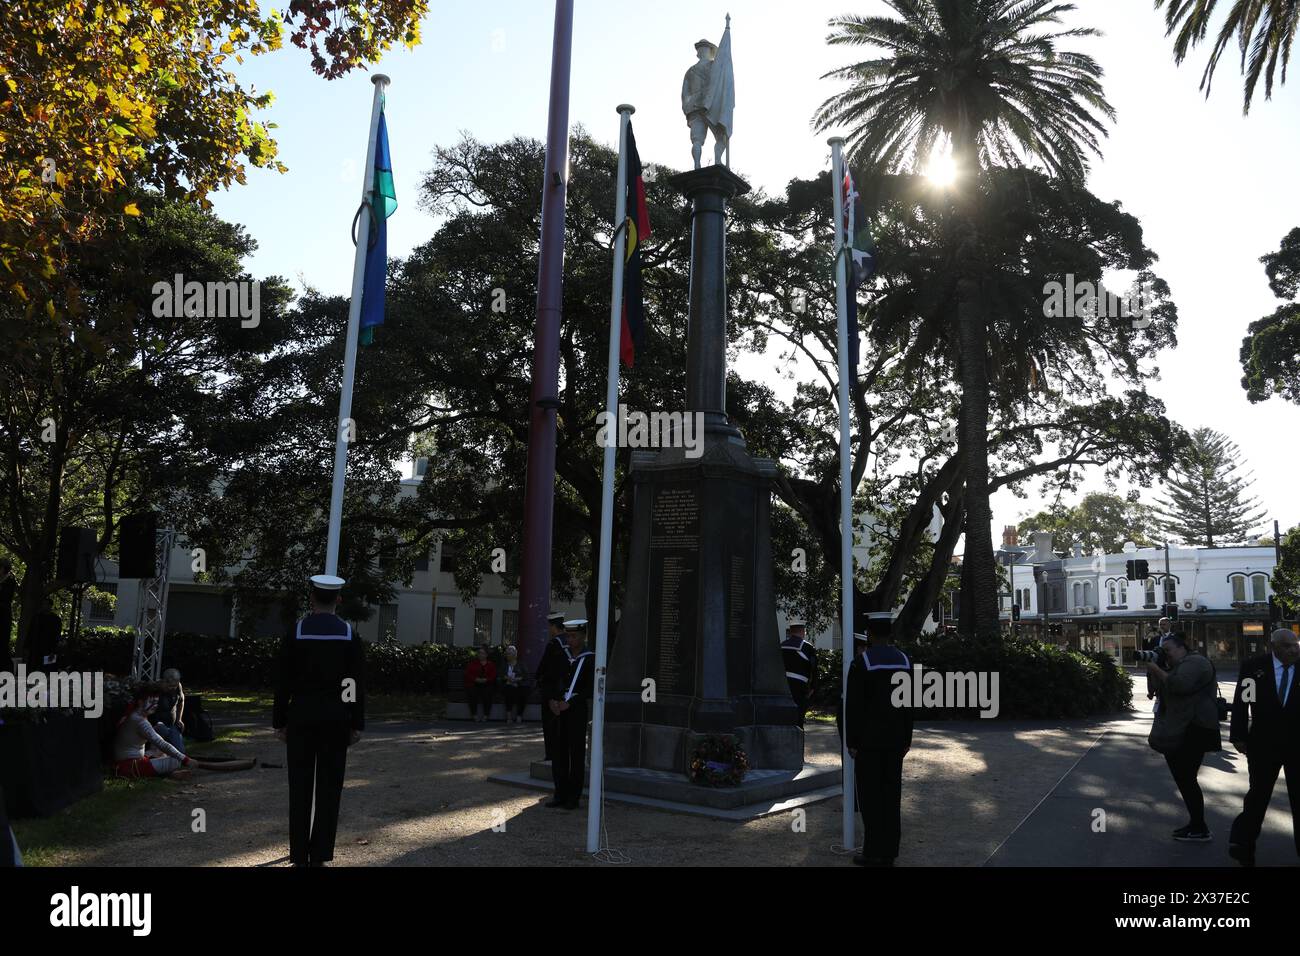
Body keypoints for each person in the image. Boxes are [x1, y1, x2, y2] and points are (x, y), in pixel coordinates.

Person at [273, 574, 365, 867]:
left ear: (311, 598)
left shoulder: (296, 632)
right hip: (336, 717)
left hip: (301, 715)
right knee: (329, 787)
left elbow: (283, 681)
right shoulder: (349, 635)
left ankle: (299, 853)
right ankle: (320, 853)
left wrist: (280, 720)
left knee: (299, 786)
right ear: (338, 599)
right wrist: (355, 722)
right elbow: (354, 683)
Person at [843, 612, 913, 867]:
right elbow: (908, 705)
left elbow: (854, 707)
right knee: (891, 797)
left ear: (870, 634)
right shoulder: (905, 661)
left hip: (869, 743)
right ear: (890, 633)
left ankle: (872, 851)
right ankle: (890, 853)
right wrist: (907, 738)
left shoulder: (862, 663)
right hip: (895, 741)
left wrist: (852, 741)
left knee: (871, 798)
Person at [1227, 627, 1300, 866]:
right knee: (1258, 796)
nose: (1294, 649)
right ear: (1274, 647)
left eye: (1295, 644)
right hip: (1263, 744)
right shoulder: (1254, 667)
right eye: (1287, 646)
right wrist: (1238, 735)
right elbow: (1241, 702)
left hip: (1297, 745)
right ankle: (1243, 845)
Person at [1145, 632, 1220, 842]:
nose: (1165, 655)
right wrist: (1154, 669)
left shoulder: (1195, 662)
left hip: (1194, 728)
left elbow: (1180, 686)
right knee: (1184, 778)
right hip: (1183, 727)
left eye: (1168, 650)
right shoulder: (1177, 665)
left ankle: (1199, 827)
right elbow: (1158, 690)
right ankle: (1197, 825)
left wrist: (1157, 669)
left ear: (1182, 648)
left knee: (1186, 778)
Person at [113, 683, 254, 778]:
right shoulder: (139, 721)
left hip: (131, 761)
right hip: (130, 766)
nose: (155, 705)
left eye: (157, 702)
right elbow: (161, 743)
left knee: (162, 741)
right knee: (175, 760)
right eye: (152, 702)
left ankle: (169, 771)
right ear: (140, 702)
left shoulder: (135, 714)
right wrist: (186, 760)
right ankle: (171, 772)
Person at [545, 620, 594, 810]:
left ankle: (573, 796)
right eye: (568, 636)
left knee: (576, 752)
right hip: (557, 708)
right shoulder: (560, 654)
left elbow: (589, 687)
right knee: (559, 753)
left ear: (583, 636)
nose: (570, 640)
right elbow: (550, 678)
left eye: (574, 636)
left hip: (576, 709)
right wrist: (551, 699)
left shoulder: (590, 658)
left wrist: (571, 702)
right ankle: (560, 793)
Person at [536, 610, 570, 760]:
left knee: (550, 725)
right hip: (568, 689)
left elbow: (544, 667)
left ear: (553, 627)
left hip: (552, 690)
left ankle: (551, 754)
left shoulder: (553, 644)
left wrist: (539, 680)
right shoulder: (570, 642)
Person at [780, 618, 816, 726]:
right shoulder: (807, 647)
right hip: (799, 689)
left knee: (785, 719)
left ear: (790, 632)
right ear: (803, 631)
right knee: (798, 720)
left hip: (782, 688)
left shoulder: (781, 646)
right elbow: (814, 670)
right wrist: (813, 689)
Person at [153, 668, 187, 752]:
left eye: (175, 686)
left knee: (181, 752)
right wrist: (154, 722)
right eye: (170, 686)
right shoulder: (155, 688)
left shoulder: (178, 686)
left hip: (172, 724)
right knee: (163, 733)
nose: (173, 688)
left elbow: (181, 701)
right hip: (157, 724)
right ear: (164, 681)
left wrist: (179, 719)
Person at [27, 597, 61, 670]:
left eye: (46, 604)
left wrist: (53, 650)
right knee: (35, 668)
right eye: (43, 604)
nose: (44, 606)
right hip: (36, 648)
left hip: (49, 648)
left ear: (50, 606)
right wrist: (27, 647)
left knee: (48, 669)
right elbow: (30, 632)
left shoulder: (56, 619)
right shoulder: (36, 618)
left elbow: (57, 635)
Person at [500, 644, 529, 725]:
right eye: (507, 653)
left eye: (510, 653)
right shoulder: (504, 664)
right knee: (509, 690)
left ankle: (519, 715)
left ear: (515, 654)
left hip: (519, 685)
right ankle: (509, 716)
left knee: (524, 692)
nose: (508, 655)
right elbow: (500, 675)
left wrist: (517, 680)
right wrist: (507, 678)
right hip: (507, 685)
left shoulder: (521, 664)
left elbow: (526, 675)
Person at [0, 559, 15, 668]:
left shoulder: (10, 581)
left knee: (2, 644)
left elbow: (6, 598)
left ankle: (6, 668)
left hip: (3, 616)